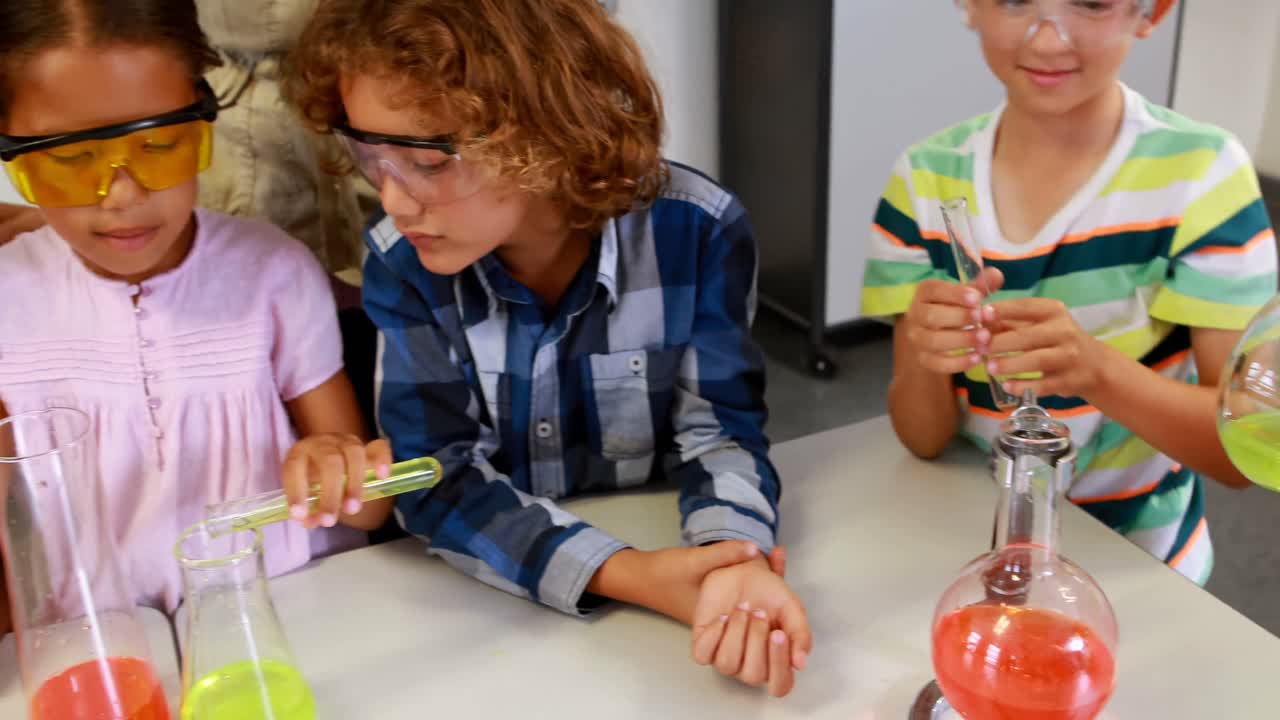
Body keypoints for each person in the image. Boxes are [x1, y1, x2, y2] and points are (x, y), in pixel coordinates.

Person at [284, 0, 812, 697]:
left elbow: (720, 434)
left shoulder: (699, 230)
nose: (395, 200)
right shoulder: (401, 261)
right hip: (492, 630)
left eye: (424, 161)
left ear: (546, 132)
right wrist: (632, 576)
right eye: (369, 156)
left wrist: (729, 560)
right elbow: (434, 478)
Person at [0, 0, 391, 629]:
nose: (122, 197)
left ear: (206, 117)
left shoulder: (274, 272)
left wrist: (338, 470)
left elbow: (369, 511)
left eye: (159, 146)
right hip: (105, 651)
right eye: (70, 162)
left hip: (292, 622)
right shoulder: (8, 299)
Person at [861, 0, 1277, 584]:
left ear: (1150, 12)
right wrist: (932, 355)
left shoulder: (1204, 176)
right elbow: (922, 435)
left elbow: (1241, 452)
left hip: (1139, 564)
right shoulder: (925, 180)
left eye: (1091, 3)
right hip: (985, 558)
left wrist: (1096, 371)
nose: (1049, 39)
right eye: (1013, 1)